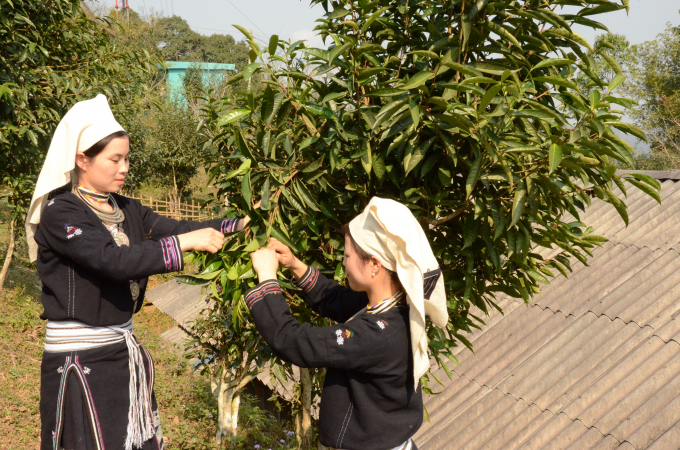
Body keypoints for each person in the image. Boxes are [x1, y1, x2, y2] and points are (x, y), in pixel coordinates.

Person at [26, 95, 251, 450]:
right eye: (114, 159)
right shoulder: (62, 213)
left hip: (121, 353)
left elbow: (176, 226)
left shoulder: (126, 208)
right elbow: (111, 261)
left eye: (126, 158)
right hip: (80, 360)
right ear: (81, 159)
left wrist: (237, 226)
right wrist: (185, 244)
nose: (124, 167)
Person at [247, 197, 449, 450]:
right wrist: (294, 265)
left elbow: (294, 342)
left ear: (374, 264)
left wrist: (267, 278)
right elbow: (337, 300)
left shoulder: (376, 335)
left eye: (347, 255)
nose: (343, 262)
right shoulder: (397, 306)